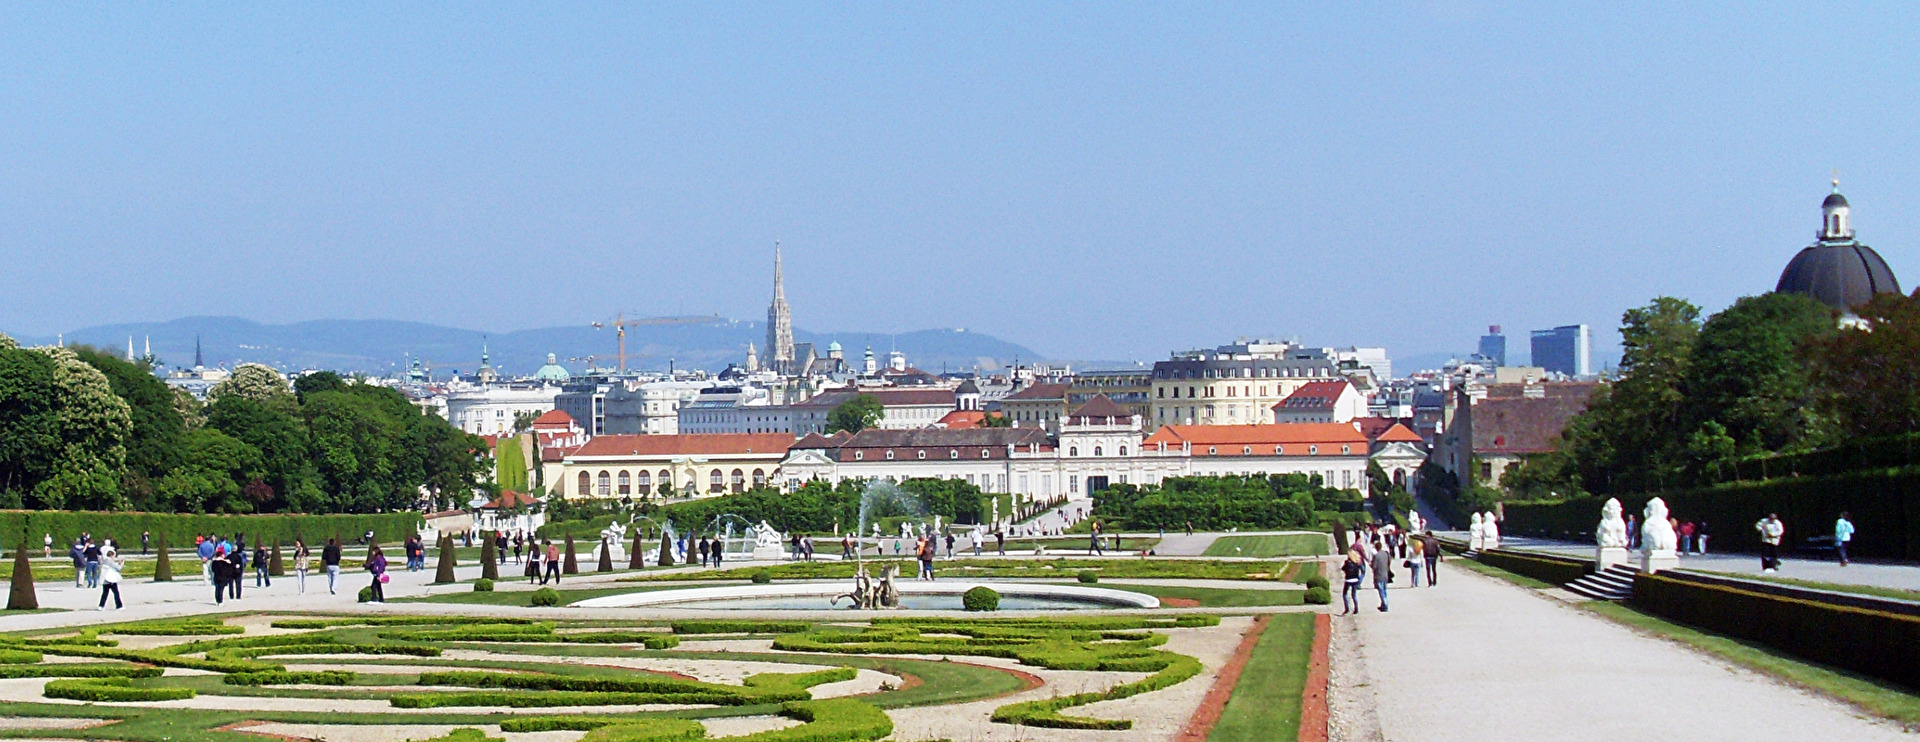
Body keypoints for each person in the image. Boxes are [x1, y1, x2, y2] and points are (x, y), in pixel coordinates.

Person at [97, 545, 123, 611]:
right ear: (111, 555)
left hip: (105, 579)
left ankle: (101, 606)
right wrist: (121, 563)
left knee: (105, 593)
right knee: (116, 592)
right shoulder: (110, 561)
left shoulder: (105, 560)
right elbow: (118, 568)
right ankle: (119, 606)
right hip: (111, 579)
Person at [1371, 537, 1393, 612]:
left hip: (1379, 575)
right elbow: (1389, 561)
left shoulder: (1376, 556)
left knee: (1381, 591)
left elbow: (1374, 566)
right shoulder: (1385, 554)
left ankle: (1385, 604)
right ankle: (1383, 604)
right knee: (1384, 590)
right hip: (1385, 574)